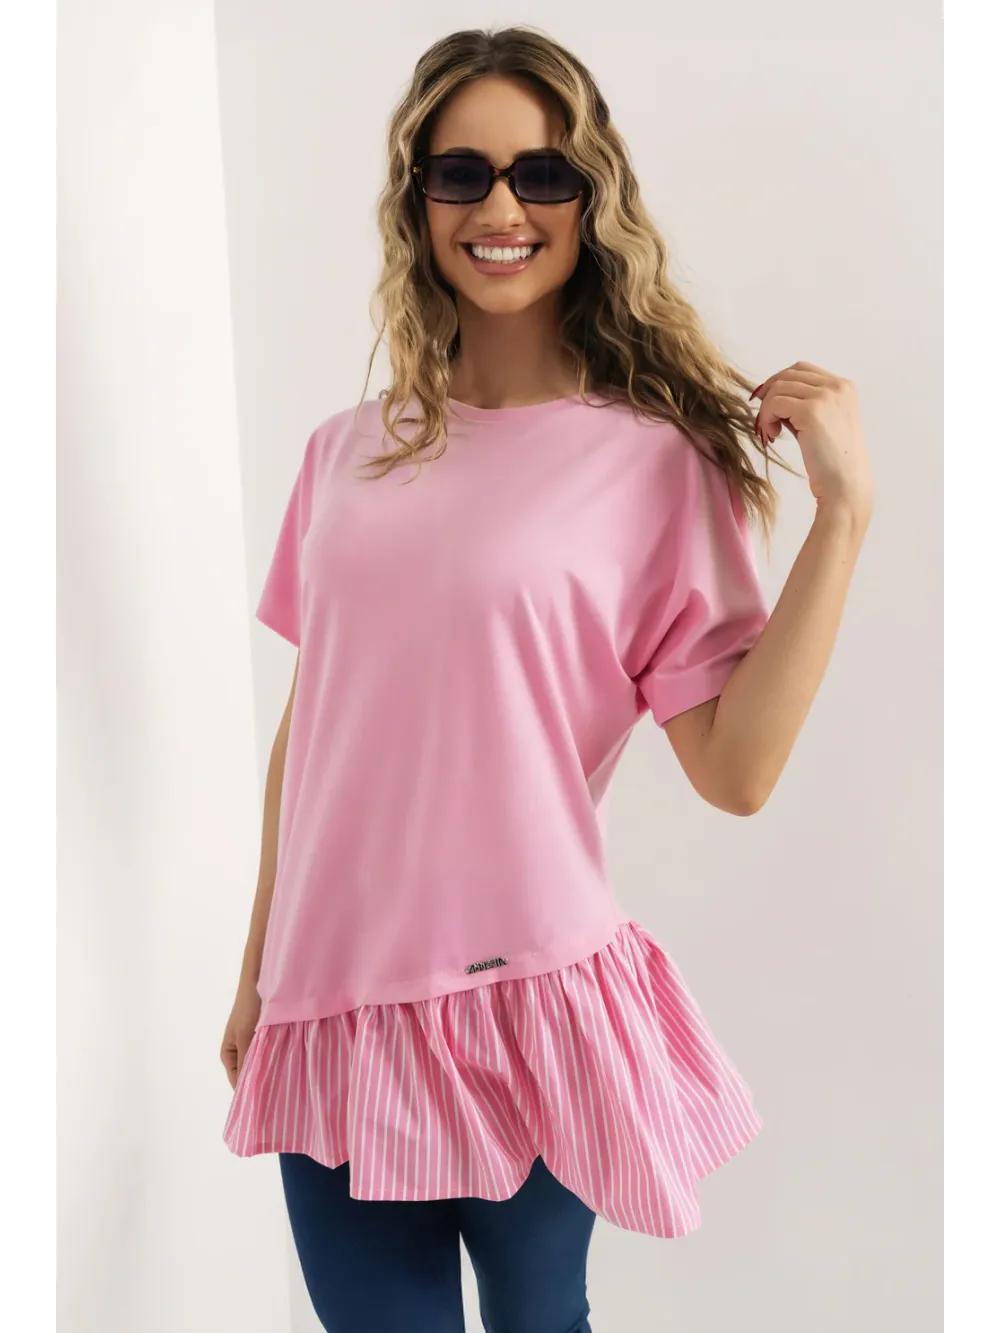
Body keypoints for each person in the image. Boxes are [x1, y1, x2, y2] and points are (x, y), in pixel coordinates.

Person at [220, 25, 874, 1333]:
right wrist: (257, 970)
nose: (501, 208)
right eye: (461, 174)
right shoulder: (344, 453)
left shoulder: (655, 464)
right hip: (331, 1009)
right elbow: (315, 723)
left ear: (592, 198)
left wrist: (843, 518)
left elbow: (737, 771)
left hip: (526, 1005)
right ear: (418, 202)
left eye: (543, 174)